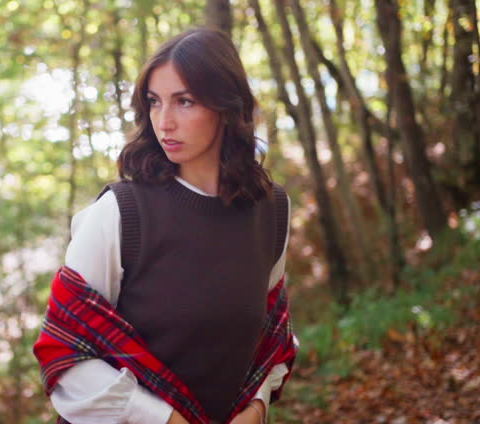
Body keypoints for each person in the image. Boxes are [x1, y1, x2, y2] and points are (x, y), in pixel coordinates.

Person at [34, 28, 297, 424]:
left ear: (226, 106)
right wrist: (163, 419)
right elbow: (64, 351)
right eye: (154, 103)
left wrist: (257, 408)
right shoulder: (120, 214)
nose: (164, 122)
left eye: (184, 102)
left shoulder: (272, 210)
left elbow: (269, 338)